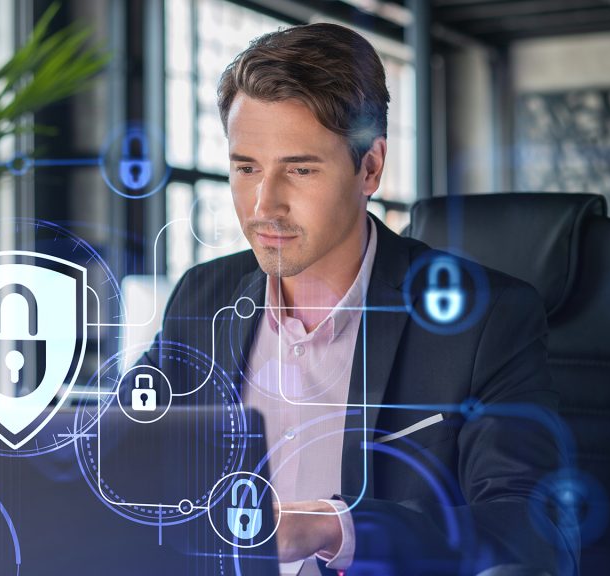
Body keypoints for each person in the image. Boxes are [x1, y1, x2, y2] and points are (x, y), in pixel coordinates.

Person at [141, 23, 578, 575]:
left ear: (369, 167)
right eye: (246, 168)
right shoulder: (202, 298)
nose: (263, 205)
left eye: (298, 170)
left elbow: (534, 531)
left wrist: (334, 527)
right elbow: (123, 456)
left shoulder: (487, 320)